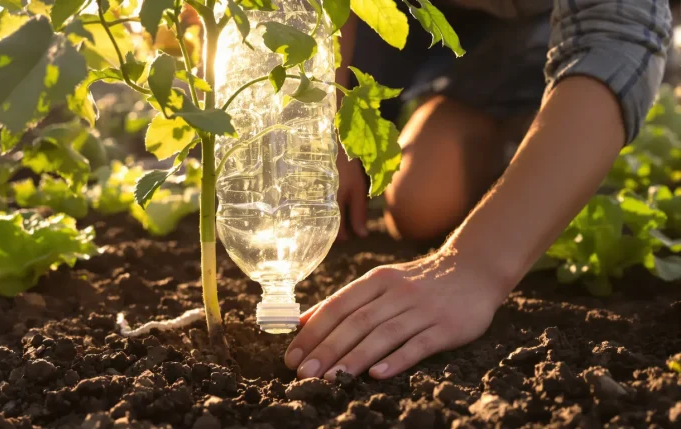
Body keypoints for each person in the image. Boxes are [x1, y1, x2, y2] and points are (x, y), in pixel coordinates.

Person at [284, 0, 673, 381]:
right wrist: (330, 134)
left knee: (422, 201)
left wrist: (472, 266)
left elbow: (616, 34)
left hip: (533, 25)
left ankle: (533, 128)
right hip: (398, 14)